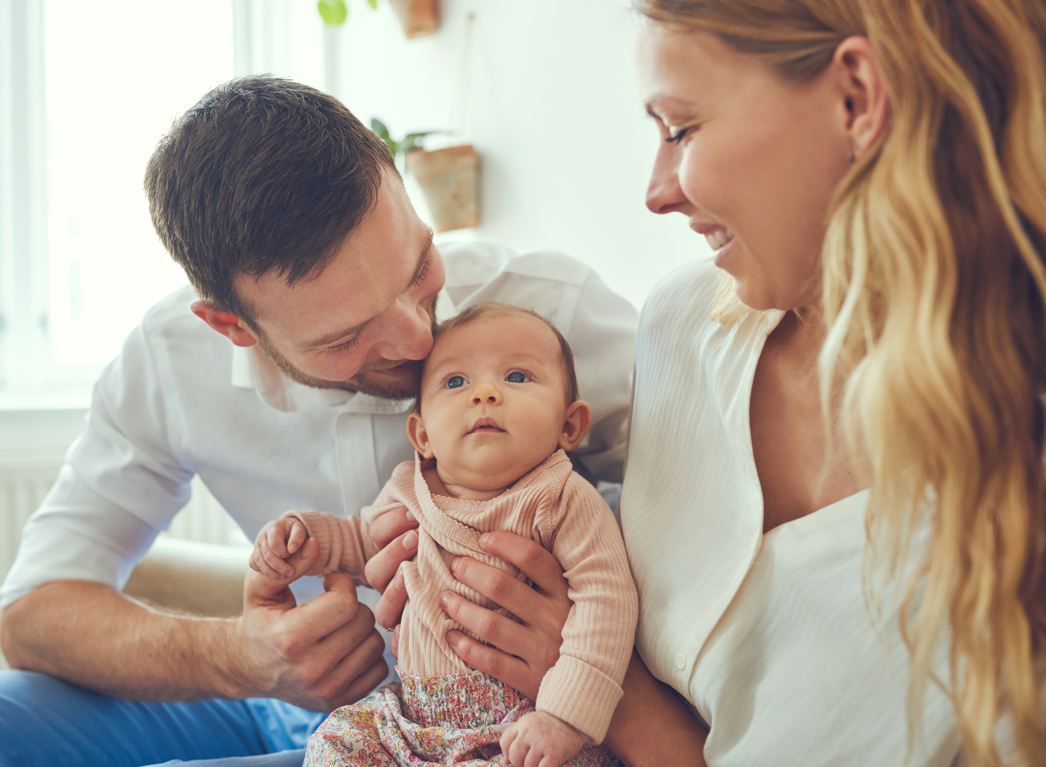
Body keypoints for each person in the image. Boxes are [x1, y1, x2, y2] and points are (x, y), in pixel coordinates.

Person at [0, 78, 638, 767]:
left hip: (505, 719)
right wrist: (244, 656)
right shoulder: (167, 362)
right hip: (281, 706)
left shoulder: (553, 317)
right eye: (343, 335)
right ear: (231, 326)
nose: (419, 338)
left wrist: (581, 651)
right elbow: (35, 614)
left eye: (419, 269)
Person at [385, 1, 1045, 765]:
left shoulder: (1014, 491)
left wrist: (615, 695)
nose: (656, 192)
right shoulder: (685, 322)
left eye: (681, 128)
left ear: (855, 99)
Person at [251, 303, 637, 767]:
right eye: (456, 382)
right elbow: (361, 541)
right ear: (422, 435)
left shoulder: (559, 499)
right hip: (414, 723)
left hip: (525, 723)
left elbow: (607, 599)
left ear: (568, 425)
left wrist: (565, 717)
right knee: (333, 744)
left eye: (517, 377)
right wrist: (304, 539)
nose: (486, 393)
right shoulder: (406, 490)